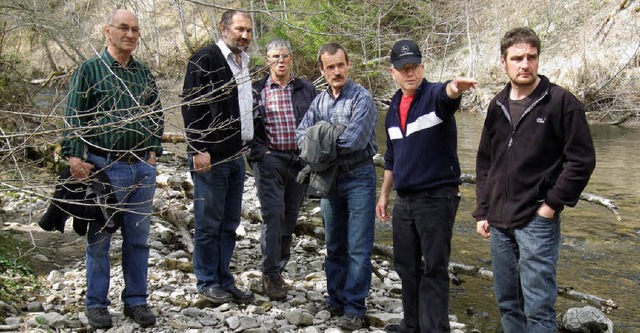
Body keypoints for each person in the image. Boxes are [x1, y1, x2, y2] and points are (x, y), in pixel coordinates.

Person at [473, 27, 596, 332]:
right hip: (499, 221)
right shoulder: (497, 104)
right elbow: (486, 161)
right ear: (504, 62)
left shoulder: (561, 102)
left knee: (539, 308)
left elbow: (582, 160)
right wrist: (482, 210)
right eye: (517, 58)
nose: (525, 64)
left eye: (531, 57)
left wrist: (550, 206)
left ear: (538, 58)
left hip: (536, 221)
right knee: (508, 303)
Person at [60, 9, 163, 329]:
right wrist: (75, 158)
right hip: (105, 167)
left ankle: (136, 302)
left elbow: (156, 112)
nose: (130, 34)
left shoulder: (143, 73)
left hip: (140, 169)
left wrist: (153, 151)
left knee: (138, 240)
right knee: (100, 239)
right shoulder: (89, 71)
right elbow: (74, 115)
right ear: (107, 31)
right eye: (123, 28)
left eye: (135, 29)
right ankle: (97, 304)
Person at [375, 39, 477, 333]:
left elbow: (448, 96)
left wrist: (455, 88)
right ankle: (412, 324)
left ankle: (435, 329)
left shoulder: (433, 94)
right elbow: (392, 156)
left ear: (422, 67)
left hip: (437, 196)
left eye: (414, 67)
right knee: (406, 265)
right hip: (405, 199)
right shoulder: (394, 105)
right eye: (403, 68)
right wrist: (384, 196)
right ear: (392, 72)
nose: (410, 73)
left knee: (434, 267)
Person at [296, 43, 377, 331]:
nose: (336, 71)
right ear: (322, 70)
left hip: (359, 177)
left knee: (358, 246)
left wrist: (321, 138)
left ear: (348, 64)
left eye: (340, 65)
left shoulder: (362, 99)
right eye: (330, 67)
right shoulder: (319, 102)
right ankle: (336, 298)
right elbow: (300, 137)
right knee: (334, 244)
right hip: (328, 180)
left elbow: (353, 141)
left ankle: (355, 307)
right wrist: (325, 137)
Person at [180, 9, 254, 305]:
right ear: (224, 28)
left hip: (236, 155)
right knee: (209, 223)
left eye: (248, 30)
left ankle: (224, 279)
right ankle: (207, 281)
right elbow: (190, 104)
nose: (245, 35)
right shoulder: (206, 59)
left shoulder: (243, 61)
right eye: (239, 29)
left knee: (229, 223)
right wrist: (198, 149)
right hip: (211, 157)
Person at [249, 39, 317, 300]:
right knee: (273, 215)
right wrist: (259, 153)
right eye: (275, 56)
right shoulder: (257, 91)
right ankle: (270, 272)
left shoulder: (305, 89)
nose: (280, 60)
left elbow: (317, 121)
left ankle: (278, 270)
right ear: (267, 60)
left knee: (290, 216)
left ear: (291, 59)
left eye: (285, 56)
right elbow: (246, 127)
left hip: (299, 161)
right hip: (270, 160)